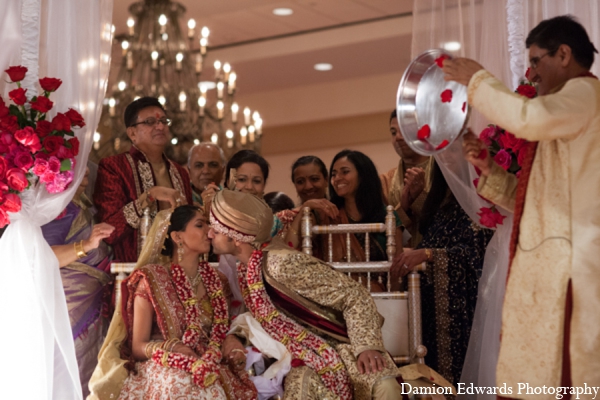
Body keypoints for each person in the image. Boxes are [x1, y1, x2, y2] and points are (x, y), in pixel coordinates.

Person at [443, 15, 600, 393]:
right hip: (551, 264)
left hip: (576, 264)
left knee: (570, 374)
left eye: (536, 61)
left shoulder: (584, 93)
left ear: (564, 54)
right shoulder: (565, 112)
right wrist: (486, 166)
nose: (531, 75)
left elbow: (528, 118)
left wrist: (477, 79)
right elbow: (531, 199)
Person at [208, 189, 403, 399]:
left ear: (237, 238)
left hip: (336, 347)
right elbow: (260, 319)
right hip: (299, 355)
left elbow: (353, 294)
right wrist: (235, 336)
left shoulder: (280, 265)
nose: (209, 234)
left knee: (383, 386)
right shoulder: (248, 269)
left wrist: (367, 347)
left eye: (216, 230)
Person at [87, 205, 257, 399]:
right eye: (200, 225)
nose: (209, 232)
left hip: (210, 361)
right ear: (177, 237)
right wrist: (173, 348)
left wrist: (232, 343)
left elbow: (222, 330)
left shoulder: (218, 281)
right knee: (180, 382)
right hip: (165, 364)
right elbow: (138, 347)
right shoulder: (152, 280)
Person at [391, 162, 493, 386]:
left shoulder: (481, 201)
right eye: (443, 159)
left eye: (455, 155)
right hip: (430, 312)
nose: (450, 163)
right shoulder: (440, 203)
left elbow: (475, 256)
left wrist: (428, 255)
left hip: (463, 314)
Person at [42, 167, 115, 397]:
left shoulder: (82, 205)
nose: (82, 171)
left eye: (84, 165)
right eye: (75, 166)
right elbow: (46, 256)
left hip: (90, 308)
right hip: (68, 309)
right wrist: (86, 246)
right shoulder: (58, 210)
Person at [94, 97, 192, 262]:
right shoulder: (115, 167)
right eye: (150, 121)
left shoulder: (180, 173)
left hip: (178, 272)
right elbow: (109, 231)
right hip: (135, 274)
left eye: (163, 121)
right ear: (132, 133)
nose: (160, 126)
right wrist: (149, 197)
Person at [380, 110, 434, 247]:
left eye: (405, 130)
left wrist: (420, 197)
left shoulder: (445, 174)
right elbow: (381, 235)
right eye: (393, 132)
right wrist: (403, 208)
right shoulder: (384, 182)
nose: (398, 137)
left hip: (436, 259)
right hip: (400, 263)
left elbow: (449, 223)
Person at [188, 142, 225, 206]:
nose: (205, 171)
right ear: (189, 171)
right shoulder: (181, 200)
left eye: (213, 165)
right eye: (199, 165)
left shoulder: (231, 201)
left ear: (222, 171)